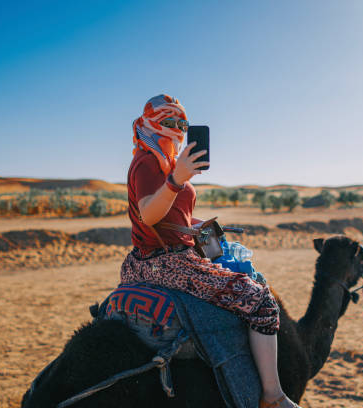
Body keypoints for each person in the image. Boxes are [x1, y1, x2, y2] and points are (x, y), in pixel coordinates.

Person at [121, 94, 300, 408]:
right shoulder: (148, 161)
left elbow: (169, 216)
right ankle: (272, 395)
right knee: (259, 301)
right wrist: (178, 179)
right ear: (150, 123)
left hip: (171, 252)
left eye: (182, 124)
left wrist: (197, 226)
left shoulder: (165, 161)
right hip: (166, 264)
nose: (177, 129)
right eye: (169, 122)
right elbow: (148, 213)